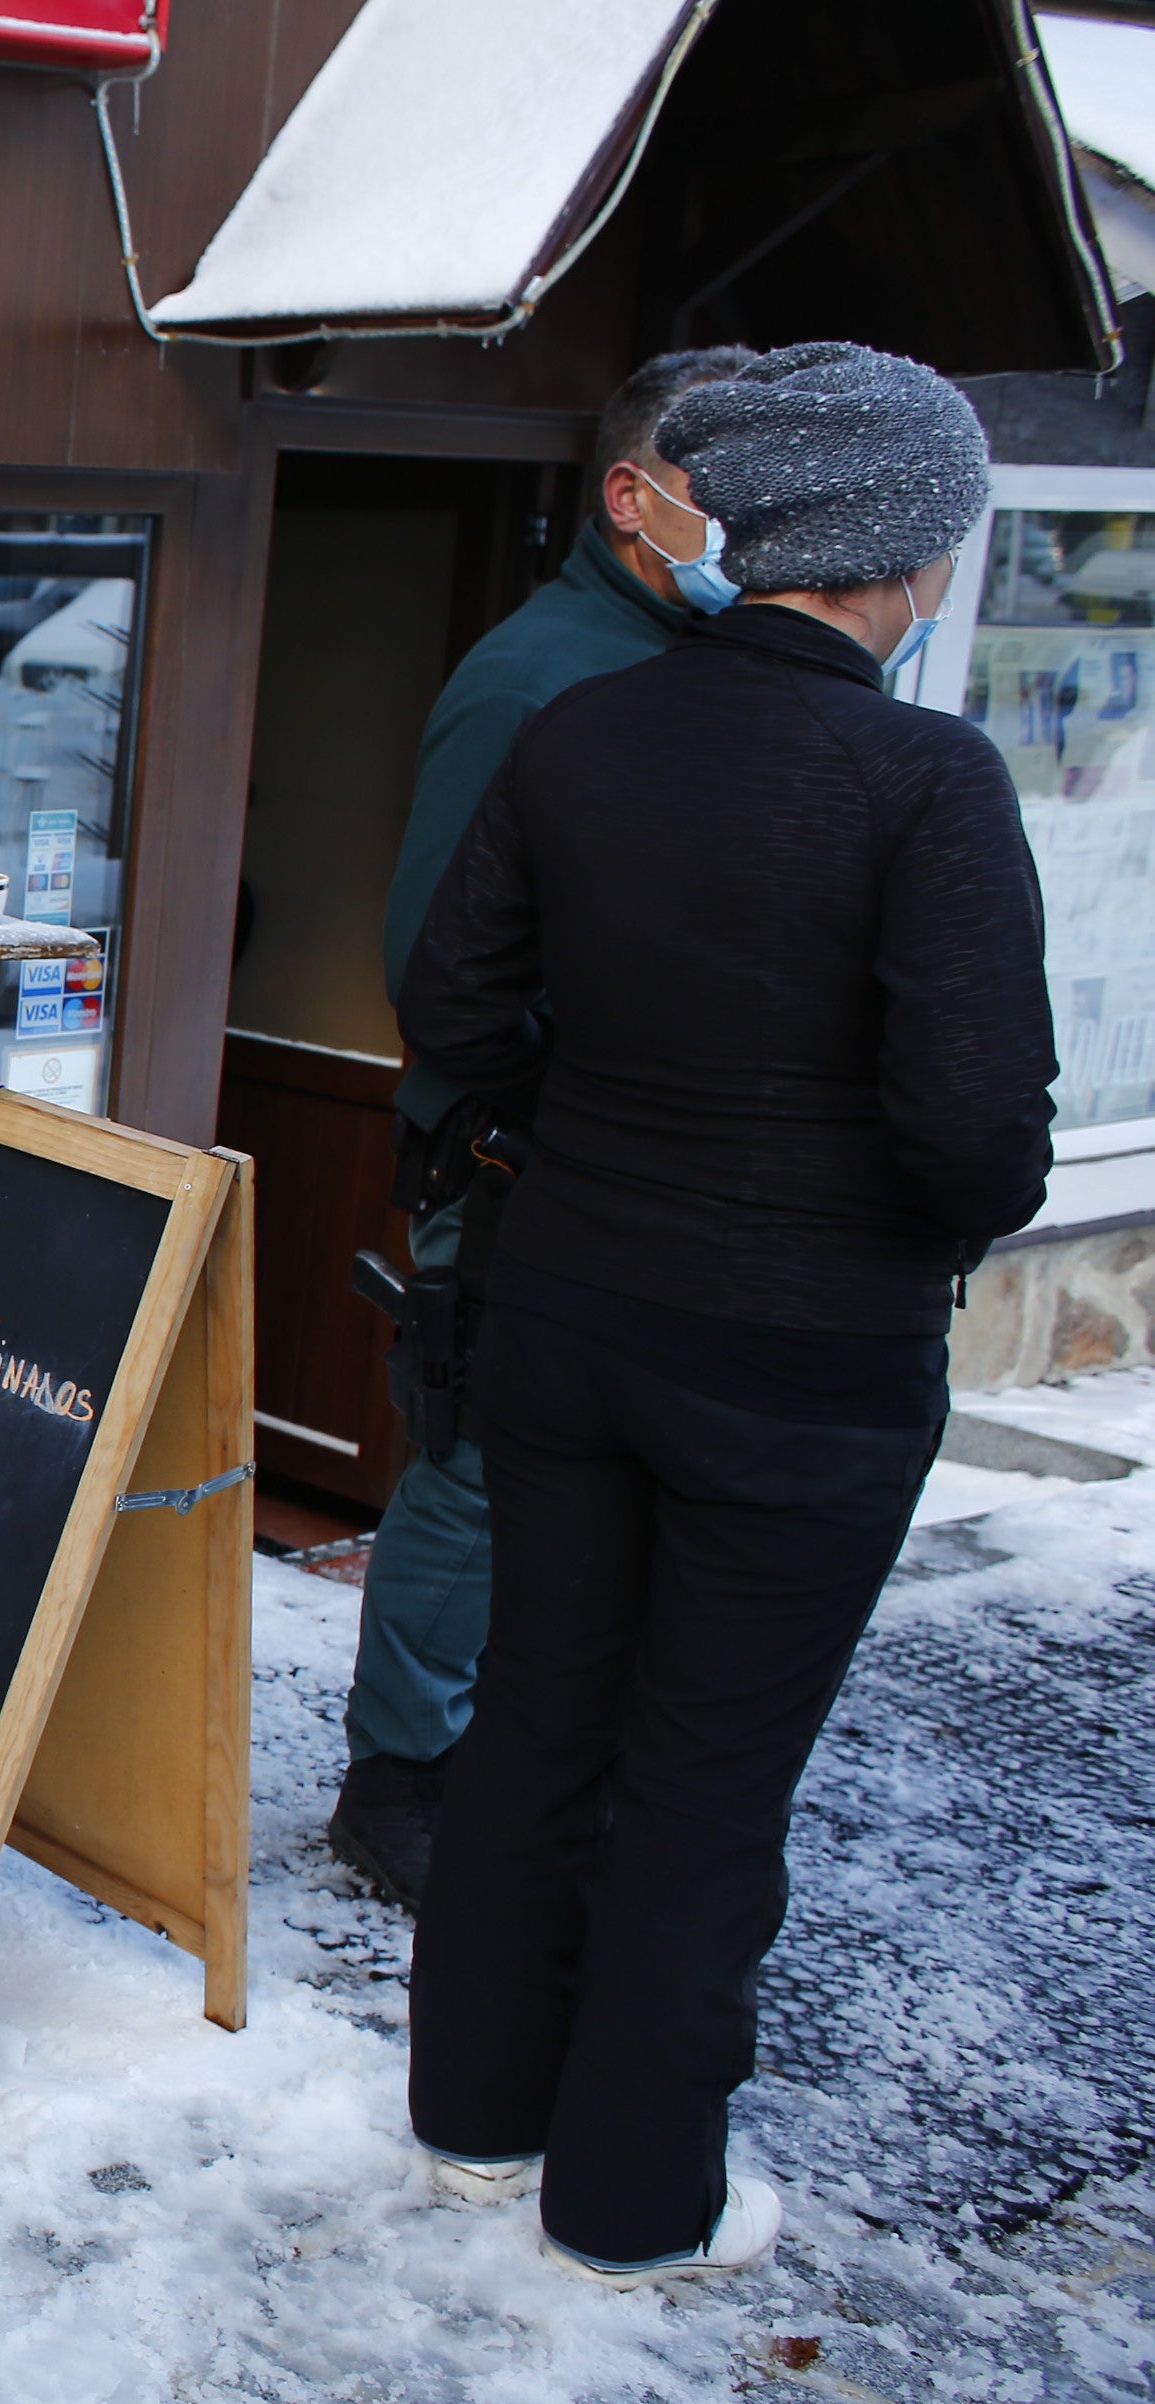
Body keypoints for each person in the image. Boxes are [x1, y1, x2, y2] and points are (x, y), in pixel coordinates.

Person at [397, 343, 1051, 2286]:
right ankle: (630, 2205)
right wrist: (877, 1218)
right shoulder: (928, 778)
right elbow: (976, 1135)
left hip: (577, 1314)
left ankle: (468, 2122)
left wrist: (583, 1137)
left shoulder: (585, 732)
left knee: (538, 1724)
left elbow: (451, 1011)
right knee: (706, 1770)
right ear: (906, 557)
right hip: (810, 1362)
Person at [328, 346, 756, 1911]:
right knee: (479, 1466)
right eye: (730, 496)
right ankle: (403, 1775)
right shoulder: (540, 671)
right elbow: (439, 961)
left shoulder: (739, 663)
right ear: (632, 497)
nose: (756, 534)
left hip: (676, 1176)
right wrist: (550, 1110)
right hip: (527, 1157)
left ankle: (529, 1753)